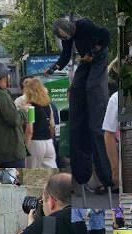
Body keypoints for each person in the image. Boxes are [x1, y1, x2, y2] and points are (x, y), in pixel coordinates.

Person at [45, 17, 112, 190]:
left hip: (98, 56)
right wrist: (53, 68)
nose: (68, 40)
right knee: (76, 88)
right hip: (86, 59)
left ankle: (106, 177)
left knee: (91, 87)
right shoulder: (68, 39)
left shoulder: (85, 26)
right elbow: (65, 56)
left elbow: (105, 36)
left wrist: (93, 54)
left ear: (71, 28)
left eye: (68, 37)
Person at [0, 62, 26, 168]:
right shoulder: (1, 95)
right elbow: (14, 119)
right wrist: (24, 111)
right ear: (4, 76)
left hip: (2, 151)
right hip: (11, 151)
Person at [22, 77, 56, 168]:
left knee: (32, 173)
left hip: (35, 143)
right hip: (49, 143)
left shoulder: (30, 108)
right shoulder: (48, 106)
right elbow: (52, 126)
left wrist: (25, 145)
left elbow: (30, 130)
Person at [102, 90, 120, 187]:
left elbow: (109, 134)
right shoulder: (116, 98)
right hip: (129, 158)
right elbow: (109, 134)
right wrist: (115, 170)